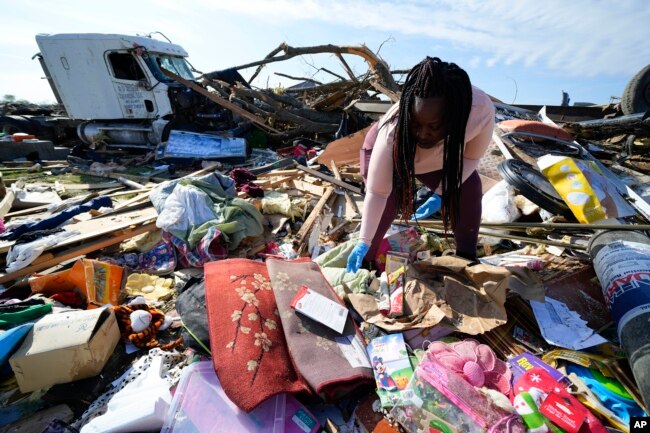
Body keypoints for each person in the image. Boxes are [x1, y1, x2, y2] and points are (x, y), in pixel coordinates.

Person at [346, 56, 495, 273]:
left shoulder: (479, 112)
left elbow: (471, 158)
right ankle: (366, 262)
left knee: (469, 187)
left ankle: (466, 259)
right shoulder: (393, 131)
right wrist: (364, 240)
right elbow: (378, 192)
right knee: (388, 202)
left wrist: (443, 191)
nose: (423, 134)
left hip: (439, 157)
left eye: (434, 126)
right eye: (416, 123)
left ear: (455, 116)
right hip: (395, 152)